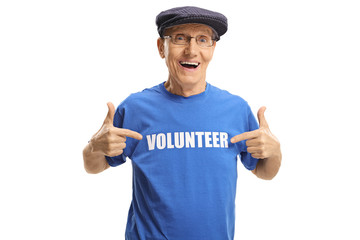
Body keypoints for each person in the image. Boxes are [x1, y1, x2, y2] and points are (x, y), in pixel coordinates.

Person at [83, 6, 281, 240]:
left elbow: (264, 171)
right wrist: (94, 146)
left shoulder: (235, 109)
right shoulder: (135, 109)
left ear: (213, 48)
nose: (192, 50)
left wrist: (275, 151)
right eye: (179, 38)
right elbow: (94, 166)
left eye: (202, 39)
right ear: (161, 47)